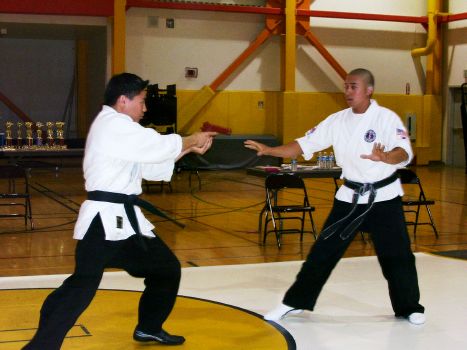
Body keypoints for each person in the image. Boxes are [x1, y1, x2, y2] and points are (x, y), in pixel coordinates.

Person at [23, 73, 217, 349]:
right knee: (82, 286)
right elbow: (157, 146)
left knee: (166, 270)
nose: (145, 108)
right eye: (142, 101)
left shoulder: (121, 130)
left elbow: (149, 163)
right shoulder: (113, 124)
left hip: (126, 223)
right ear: (123, 100)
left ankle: (149, 328)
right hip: (103, 221)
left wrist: (188, 148)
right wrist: (191, 138)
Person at [244, 68, 425, 325]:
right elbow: (303, 144)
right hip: (350, 197)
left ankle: (410, 307)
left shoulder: (386, 118)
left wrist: (386, 157)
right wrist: (271, 149)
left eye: (354, 86)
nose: (348, 91)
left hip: (383, 197)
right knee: (322, 252)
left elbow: (404, 152)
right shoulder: (336, 120)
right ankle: (294, 302)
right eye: (346, 86)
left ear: (369, 90)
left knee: (397, 255)